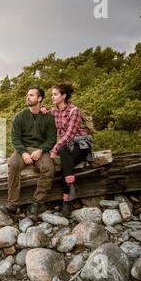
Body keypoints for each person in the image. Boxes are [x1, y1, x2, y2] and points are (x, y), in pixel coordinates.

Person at [7, 86, 57, 219]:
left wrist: (41, 150)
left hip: (40, 149)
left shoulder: (48, 117)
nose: (27, 97)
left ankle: (37, 202)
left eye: (31, 95)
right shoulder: (20, 117)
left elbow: (52, 138)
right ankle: (13, 203)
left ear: (39, 98)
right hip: (23, 148)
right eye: (27, 95)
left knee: (48, 168)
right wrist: (23, 153)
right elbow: (15, 138)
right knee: (13, 165)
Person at [48, 83, 94, 217]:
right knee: (65, 158)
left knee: (64, 164)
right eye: (52, 94)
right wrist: (44, 109)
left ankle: (67, 202)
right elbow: (45, 113)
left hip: (81, 143)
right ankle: (71, 188)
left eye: (55, 94)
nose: (52, 97)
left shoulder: (74, 111)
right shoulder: (54, 111)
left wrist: (54, 149)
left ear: (64, 96)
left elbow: (70, 134)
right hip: (66, 146)